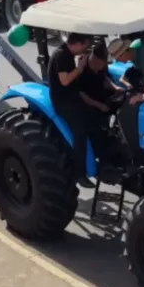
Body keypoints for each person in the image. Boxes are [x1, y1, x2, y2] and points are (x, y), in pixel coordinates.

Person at [47, 32, 106, 188]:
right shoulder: (61, 56)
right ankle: (79, 173)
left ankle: (104, 161)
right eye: (85, 45)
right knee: (80, 135)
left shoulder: (68, 54)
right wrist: (80, 68)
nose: (85, 49)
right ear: (78, 44)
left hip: (73, 99)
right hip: (63, 102)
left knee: (94, 122)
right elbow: (65, 80)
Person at [79, 43, 123, 116]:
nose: (105, 65)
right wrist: (100, 106)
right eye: (104, 63)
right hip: (92, 105)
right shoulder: (81, 69)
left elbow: (104, 78)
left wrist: (115, 88)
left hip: (104, 97)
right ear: (95, 59)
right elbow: (83, 95)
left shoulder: (102, 66)